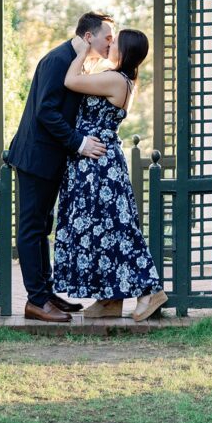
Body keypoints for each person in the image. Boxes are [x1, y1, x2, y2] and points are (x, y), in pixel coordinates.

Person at [52, 28, 168, 321]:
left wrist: (81, 52)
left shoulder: (116, 79)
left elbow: (70, 81)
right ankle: (110, 299)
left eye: (114, 41)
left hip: (100, 168)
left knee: (116, 229)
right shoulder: (118, 77)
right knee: (100, 229)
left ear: (125, 49)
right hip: (94, 163)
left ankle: (149, 290)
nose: (110, 42)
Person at [7, 12, 116, 322]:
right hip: (35, 157)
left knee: (43, 227)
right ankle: (36, 301)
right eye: (107, 37)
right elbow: (46, 112)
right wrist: (79, 143)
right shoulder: (58, 60)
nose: (110, 42)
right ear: (88, 37)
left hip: (50, 159)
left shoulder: (76, 61)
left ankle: (46, 293)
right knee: (31, 228)